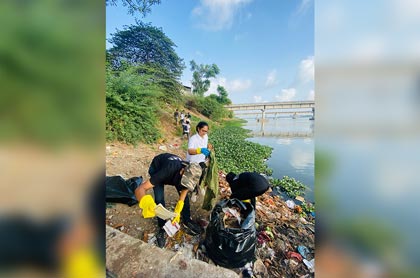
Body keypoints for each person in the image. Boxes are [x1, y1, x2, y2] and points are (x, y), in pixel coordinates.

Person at [134, 153, 202, 248]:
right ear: (182, 171)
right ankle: (162, 227)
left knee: (185, 199)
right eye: (185, 183)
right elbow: (139, 189)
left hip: (173, 172)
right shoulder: (166, 171)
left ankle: (187, 220)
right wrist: (146, 203)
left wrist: (177, 211)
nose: (185, 187)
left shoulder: (190, 175)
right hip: (157, 168)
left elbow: (183, 194)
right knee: (159, 199)